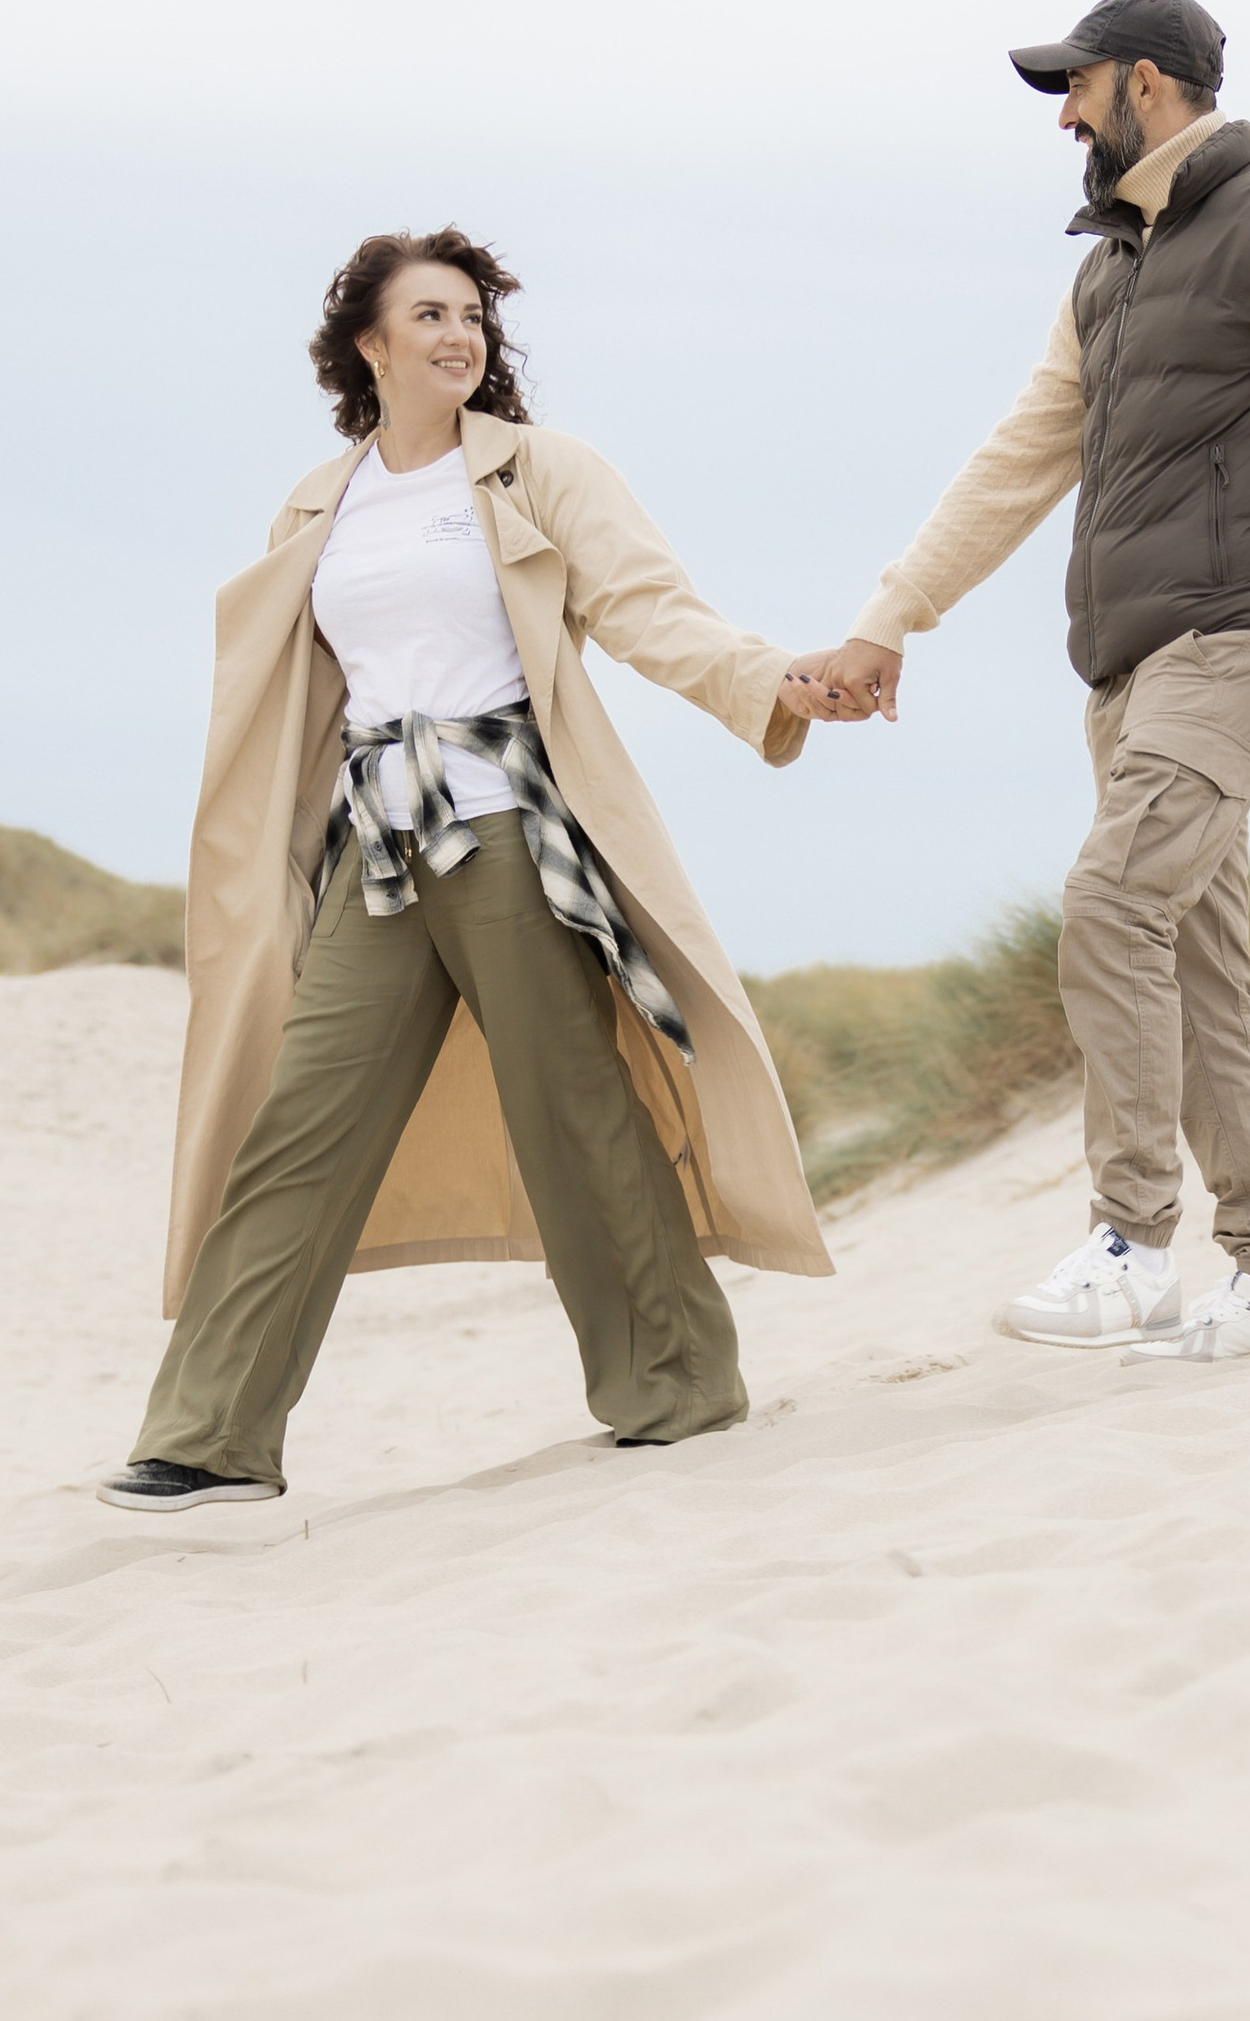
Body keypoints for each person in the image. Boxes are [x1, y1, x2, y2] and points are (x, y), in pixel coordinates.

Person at [101, 226, 849, 1512]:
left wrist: (766, 677)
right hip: (373, 845)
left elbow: (644, 606)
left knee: (574, 1108)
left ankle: (674, 1383)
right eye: (431, 315)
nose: (461, 336)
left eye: (474, 317)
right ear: (368, 344)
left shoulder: (532, 472)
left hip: (504, 826)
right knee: (298, 1127)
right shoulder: (316, 504)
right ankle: (210, 1433)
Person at [795, 0, 1250, 1365]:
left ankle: (1131, 1241)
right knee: (1193, 968)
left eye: (1075, 86)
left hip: (1242, 640)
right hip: (1131, 670)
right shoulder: (1108, 274)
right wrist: (889, 619)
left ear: (1147, 83)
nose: (1063, 113)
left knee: (1109, 905)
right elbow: (1018, 461)